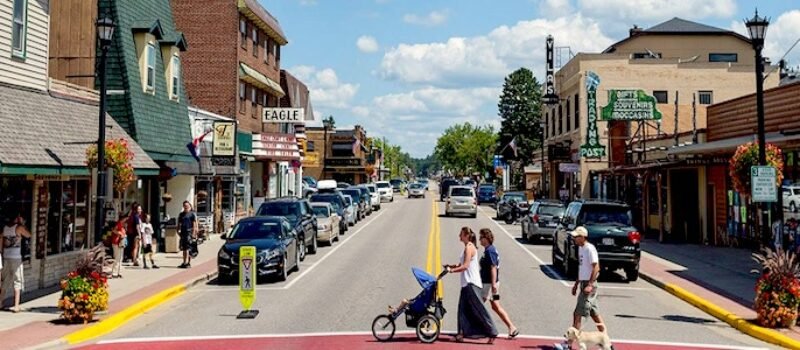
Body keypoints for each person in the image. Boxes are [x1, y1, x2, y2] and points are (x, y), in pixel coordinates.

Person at [445, 227, 498, 343]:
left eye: (461, 234)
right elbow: (461, 263)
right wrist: (452, 266)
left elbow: (466, 266)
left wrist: (452, 271)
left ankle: (492, 332)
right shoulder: (467, 247)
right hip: (466, 283)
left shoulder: (469, 247)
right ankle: (460, 334)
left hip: (471, 283)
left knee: (479, 309)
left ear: (466, 235)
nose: (459, 236)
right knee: (462, 310)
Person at [478, 228, 519, 339]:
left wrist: (493, 284)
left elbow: (493, 267)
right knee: (495, 306)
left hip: (488, 284)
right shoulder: (488, 250)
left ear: (486, 238)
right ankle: (512, 327)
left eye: (481, 237)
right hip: (489, 283)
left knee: (478, 305)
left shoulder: (490, 251)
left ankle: (487, 329)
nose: (479, 240)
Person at [570, 226, 608, 334]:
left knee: (577, 313)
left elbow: (596, 267)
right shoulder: (581, 248)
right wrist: (576, 284)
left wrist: (590, 284)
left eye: (576, 237)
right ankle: (606, 340)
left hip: (589, 284)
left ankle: (568, 343)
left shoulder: (589, 249)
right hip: (583, 283)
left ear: (582, 237)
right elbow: (581, 267)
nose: (574, 239)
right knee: (594, 314)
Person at [1, 214, 32, 312]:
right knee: (17, 281)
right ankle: (16, 305)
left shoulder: (4, 229)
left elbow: (1, 240)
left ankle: (0, 302)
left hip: (6, 256)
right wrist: (22, 223)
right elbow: (29, 235)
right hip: (16, 258)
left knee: (4, 280)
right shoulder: (19, 228)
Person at [178, 201, 198, 268]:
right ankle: (184, 262)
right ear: (183, 206)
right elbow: (179, 223)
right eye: (185, 206)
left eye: (187, 205)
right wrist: (178, 230)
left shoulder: (192, 214)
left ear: (189, 206)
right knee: (184, 249)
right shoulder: (181, 214)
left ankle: (188, 263)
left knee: (188, 248)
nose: (186, 207)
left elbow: (194, 224)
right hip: (183, 232)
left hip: (189, 232)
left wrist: (194, 233)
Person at [111, 213, 128, 279]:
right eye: (125, 218)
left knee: (120, 258)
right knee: (117, 258)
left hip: (121, 243)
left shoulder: (122, 225)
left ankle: (118, 272)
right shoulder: (118, 224)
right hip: (116, 242)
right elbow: (114, 230)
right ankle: (114, 273)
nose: (126, 219)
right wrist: (120, 233)